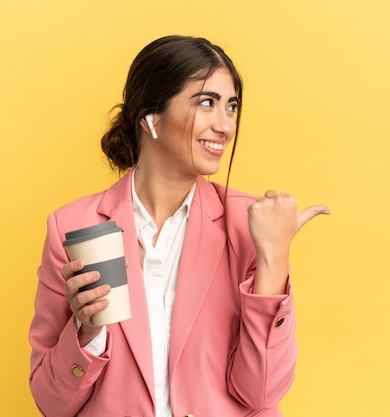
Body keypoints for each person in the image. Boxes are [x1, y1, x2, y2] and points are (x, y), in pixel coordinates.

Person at [28, 35, 329, 417]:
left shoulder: (249, 223)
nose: (226, 126)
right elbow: (51, 404)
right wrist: (85, 332)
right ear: (151, 117)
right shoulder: (73, 228)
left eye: (231, 107)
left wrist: (273, 259)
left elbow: (261, 394)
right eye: (207, 103)